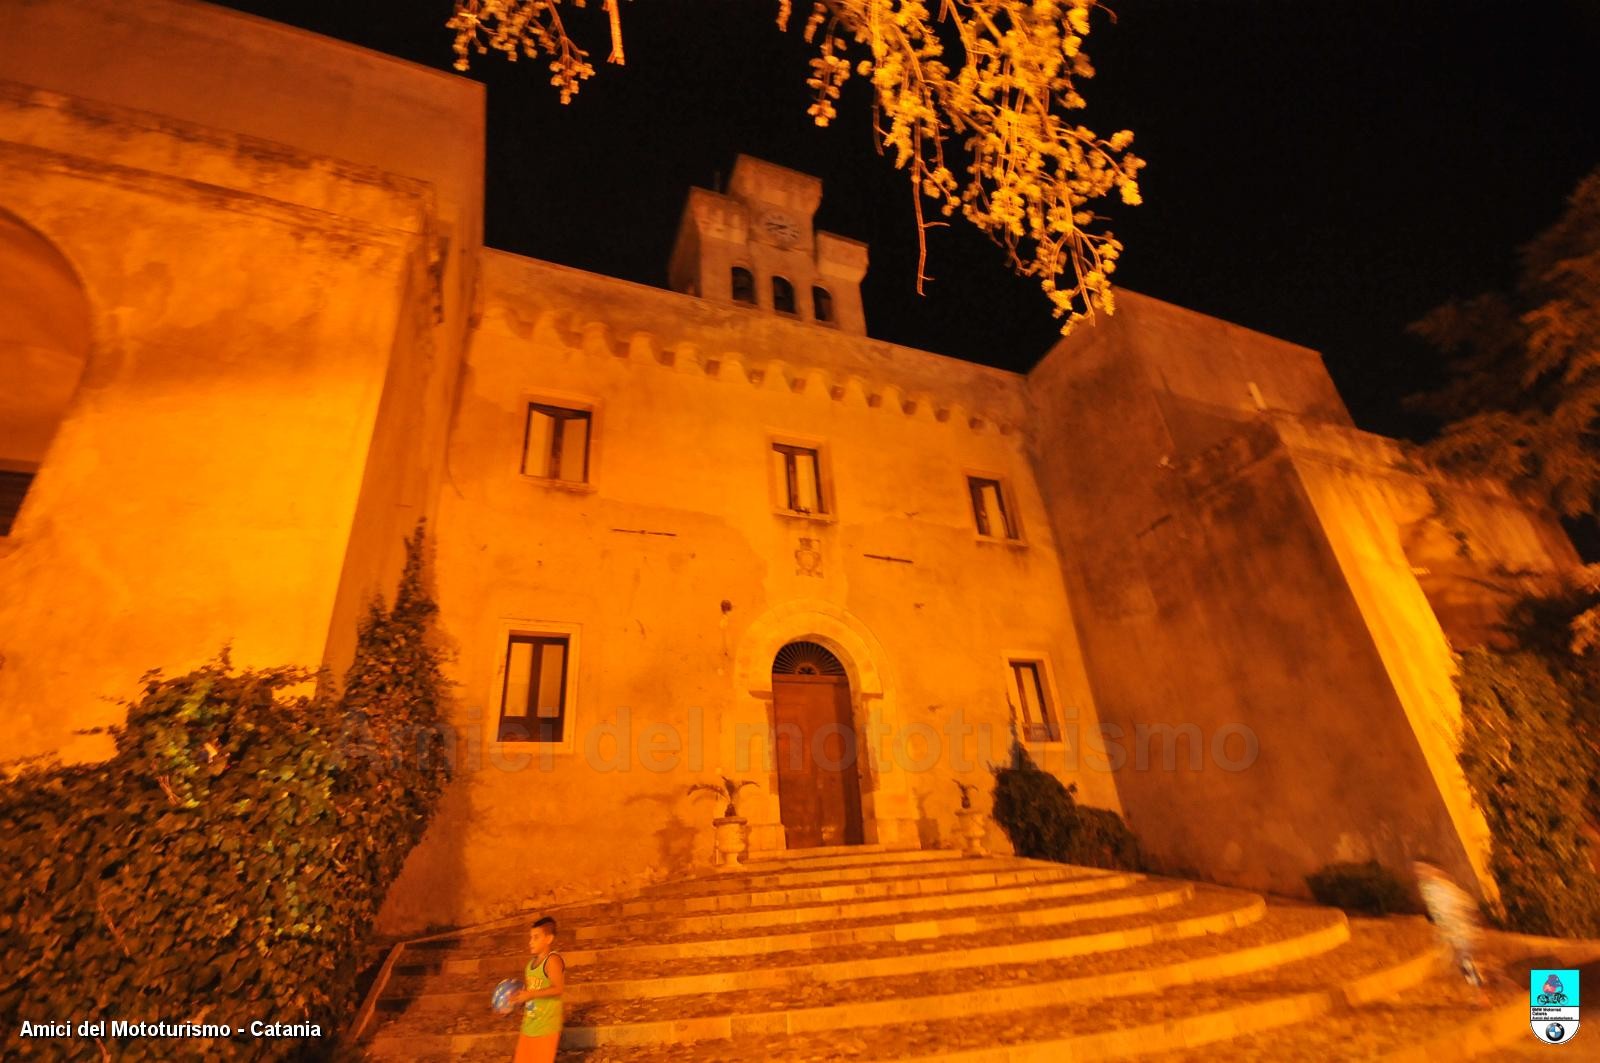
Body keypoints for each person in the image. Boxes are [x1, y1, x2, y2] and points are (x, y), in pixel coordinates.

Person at [1413, 859, 1489, 1005]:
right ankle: (1480, 991)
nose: (1420, 873)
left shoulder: (1445, 888)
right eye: (1418, 870)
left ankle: (1482, 995)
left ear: (1434, 870)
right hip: (1452, 935)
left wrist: (1469, 928)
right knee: (1464, 965)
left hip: (1461, 932)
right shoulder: (1427, 888)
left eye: (1423, 869)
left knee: (1466, 965)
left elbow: (1467, 906)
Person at [507, 916, 565, 1062]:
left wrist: (531, 994)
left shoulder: (552, 960)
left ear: (549, 939)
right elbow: (530, 994)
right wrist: (517, 1000)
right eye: (530, 937)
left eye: (536, 937)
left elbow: (558, 988)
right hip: (529, 1026)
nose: (530, 942)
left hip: (546, 1028)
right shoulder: (530, 965)